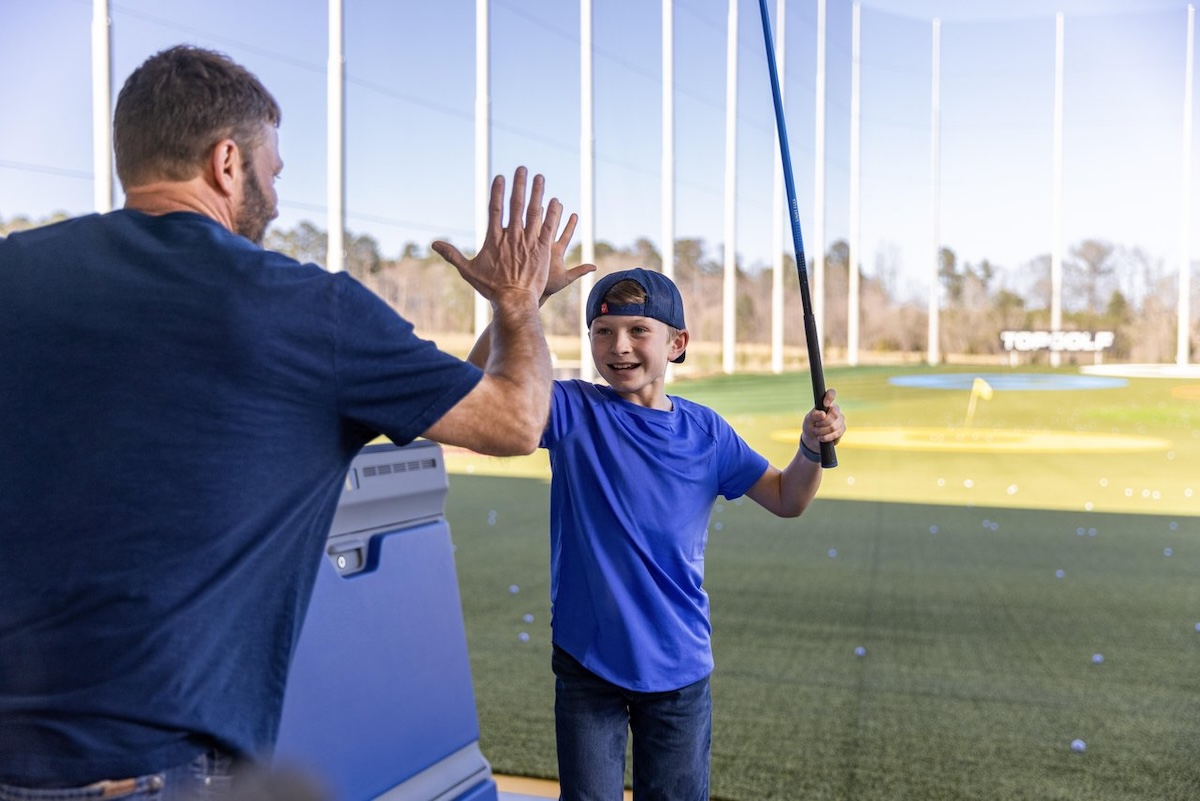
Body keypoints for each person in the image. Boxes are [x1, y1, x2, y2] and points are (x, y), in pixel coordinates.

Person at [0, 44, 567, 798]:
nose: (276, 186)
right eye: (273, 166)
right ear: (226, 162)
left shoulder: (14, 273)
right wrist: (518, 301)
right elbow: (517, 419)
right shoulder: (308, 311)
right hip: (153, 769)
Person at [469, 256, 846, 801]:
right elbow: (477, 386)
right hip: (586, 661)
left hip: (678, 668)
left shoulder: (708, 433)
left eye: (638, 330)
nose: (619, 346)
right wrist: (523, 303)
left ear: (676, 343)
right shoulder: (571, 408)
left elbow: (789, 497)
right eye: (603, 332)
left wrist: (812, 446)